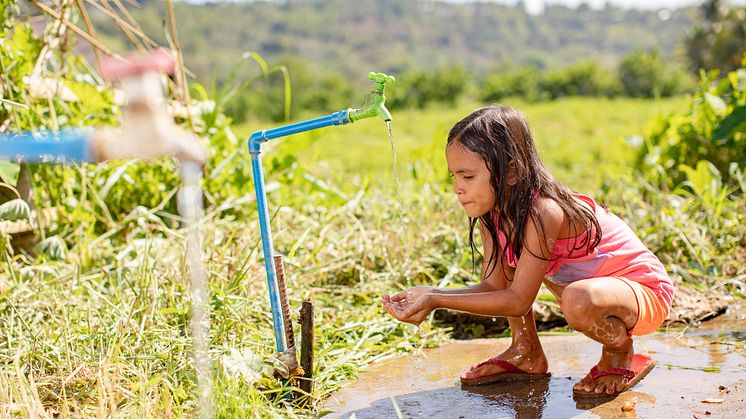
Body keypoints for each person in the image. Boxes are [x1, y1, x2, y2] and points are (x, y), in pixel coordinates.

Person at [382, 105, 674, 397]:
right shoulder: (492, 215)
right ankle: (526, 351)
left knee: (577, 299)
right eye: (454, 177)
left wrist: (436, 299)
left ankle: (618, 351)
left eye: (468, 177)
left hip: (643, 294)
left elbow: (518, 301)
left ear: (511, 172)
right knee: (543, 282)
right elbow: (495, 286)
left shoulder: (544, 211)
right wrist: (429, 294)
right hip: (593, 296)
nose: (458, 188)